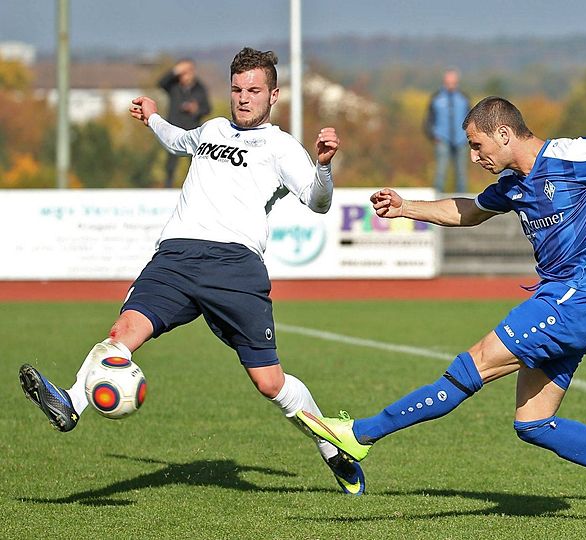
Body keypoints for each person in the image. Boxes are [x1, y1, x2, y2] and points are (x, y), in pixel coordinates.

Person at [296, 96, 586, 526]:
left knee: (474, 364)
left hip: (575, 300)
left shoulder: (575, 155)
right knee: (533, 423)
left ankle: (361, 435)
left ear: (504, 133)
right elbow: (469, 212)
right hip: (562, 303)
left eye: (477, 145)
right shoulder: (513, 183)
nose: (474, 156)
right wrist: (406, 207)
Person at [18, 48, 365, 495]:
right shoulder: (214, 128)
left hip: (235, 267)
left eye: (254, 91)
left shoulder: (281, 147)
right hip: (176, 257)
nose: (243, 98)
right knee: (122, 333)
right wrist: (153, 119)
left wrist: (322, 165)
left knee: (270, 383)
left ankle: (330, 446)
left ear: (274, 95)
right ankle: (71, 402)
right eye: (237, 89)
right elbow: (178, 140)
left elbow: (319, 203)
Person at [158, 59, 211, 188]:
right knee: (171, 161)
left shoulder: (200, 88)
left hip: (191, 128)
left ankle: (195, 186)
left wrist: (196, 109)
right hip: (174, 126)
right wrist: (175, 71)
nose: (184, 76)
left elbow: (207, 108)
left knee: (194, 161)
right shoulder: (174, 86)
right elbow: (161, 83)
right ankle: (168, 186)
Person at [424, 69, 471, 193]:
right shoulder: (436, 98)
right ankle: (437, 198)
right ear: (444, 82)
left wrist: (469, 137)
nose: (451, 85)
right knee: (440, 171)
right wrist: (433, 136)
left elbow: (471, 118)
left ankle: (463, 200)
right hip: (442, 139)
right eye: (448, 82)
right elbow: (429, 119)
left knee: (461, 172)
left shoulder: (463, 98)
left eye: (453, 82)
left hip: (461, 140)